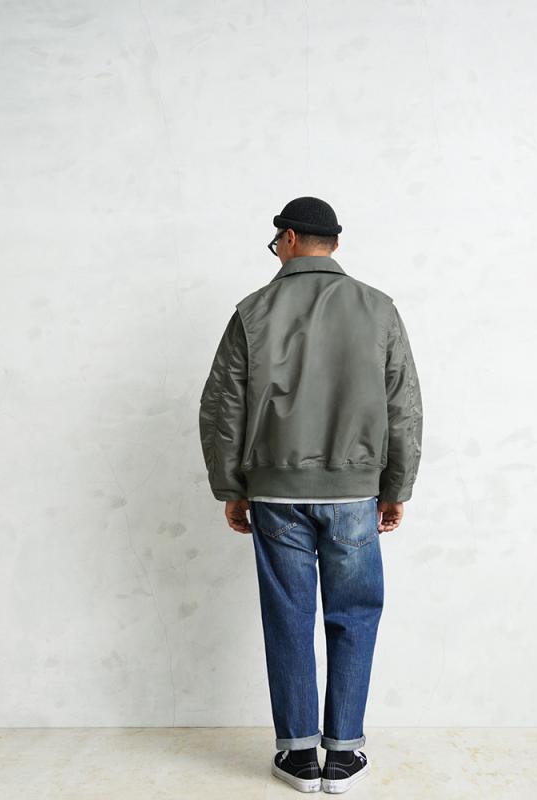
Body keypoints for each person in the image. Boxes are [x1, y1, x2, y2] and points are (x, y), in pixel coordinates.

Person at [199, 196, 423, 794]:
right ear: (335, 244)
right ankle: (343, 755)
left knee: (288, 618)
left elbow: (223, 406)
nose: (277, 250)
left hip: (275, 492)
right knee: (354, 616)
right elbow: (402, 405)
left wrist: (232, 486)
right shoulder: (378, 308)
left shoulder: (252, 311)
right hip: (354, 494)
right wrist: (395, 487)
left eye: (277, 242)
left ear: (290, 238)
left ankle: (298, 755)